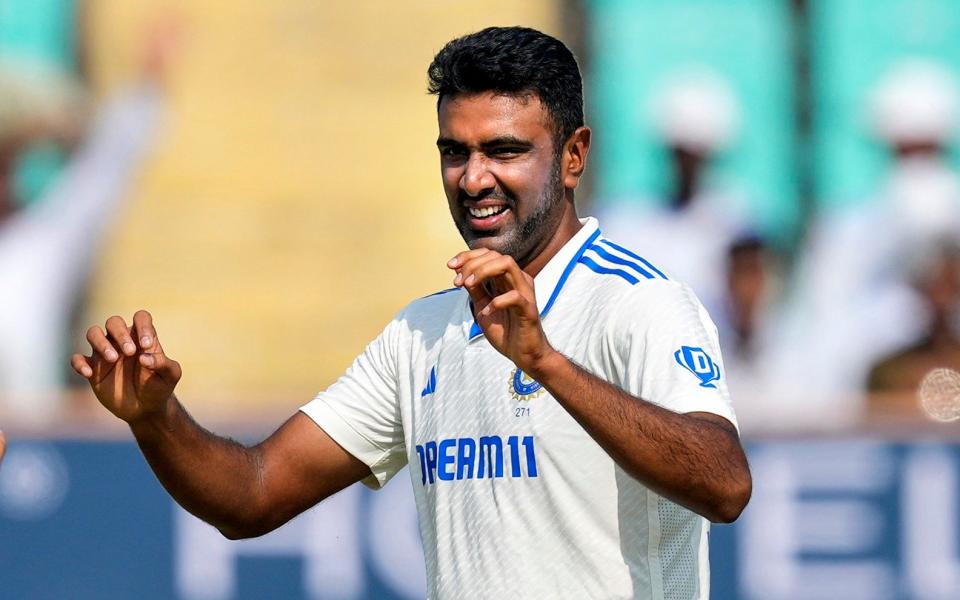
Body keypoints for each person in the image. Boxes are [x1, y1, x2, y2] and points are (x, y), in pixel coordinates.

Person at [71, 27, 751, 599]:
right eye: (455, 152)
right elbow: (250, 496)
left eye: (505, 150)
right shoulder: (423, 335)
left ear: (573, 157)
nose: (474, 178)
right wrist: (156, 418)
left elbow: (724, 484)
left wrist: (544, 362)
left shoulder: (639, 302)